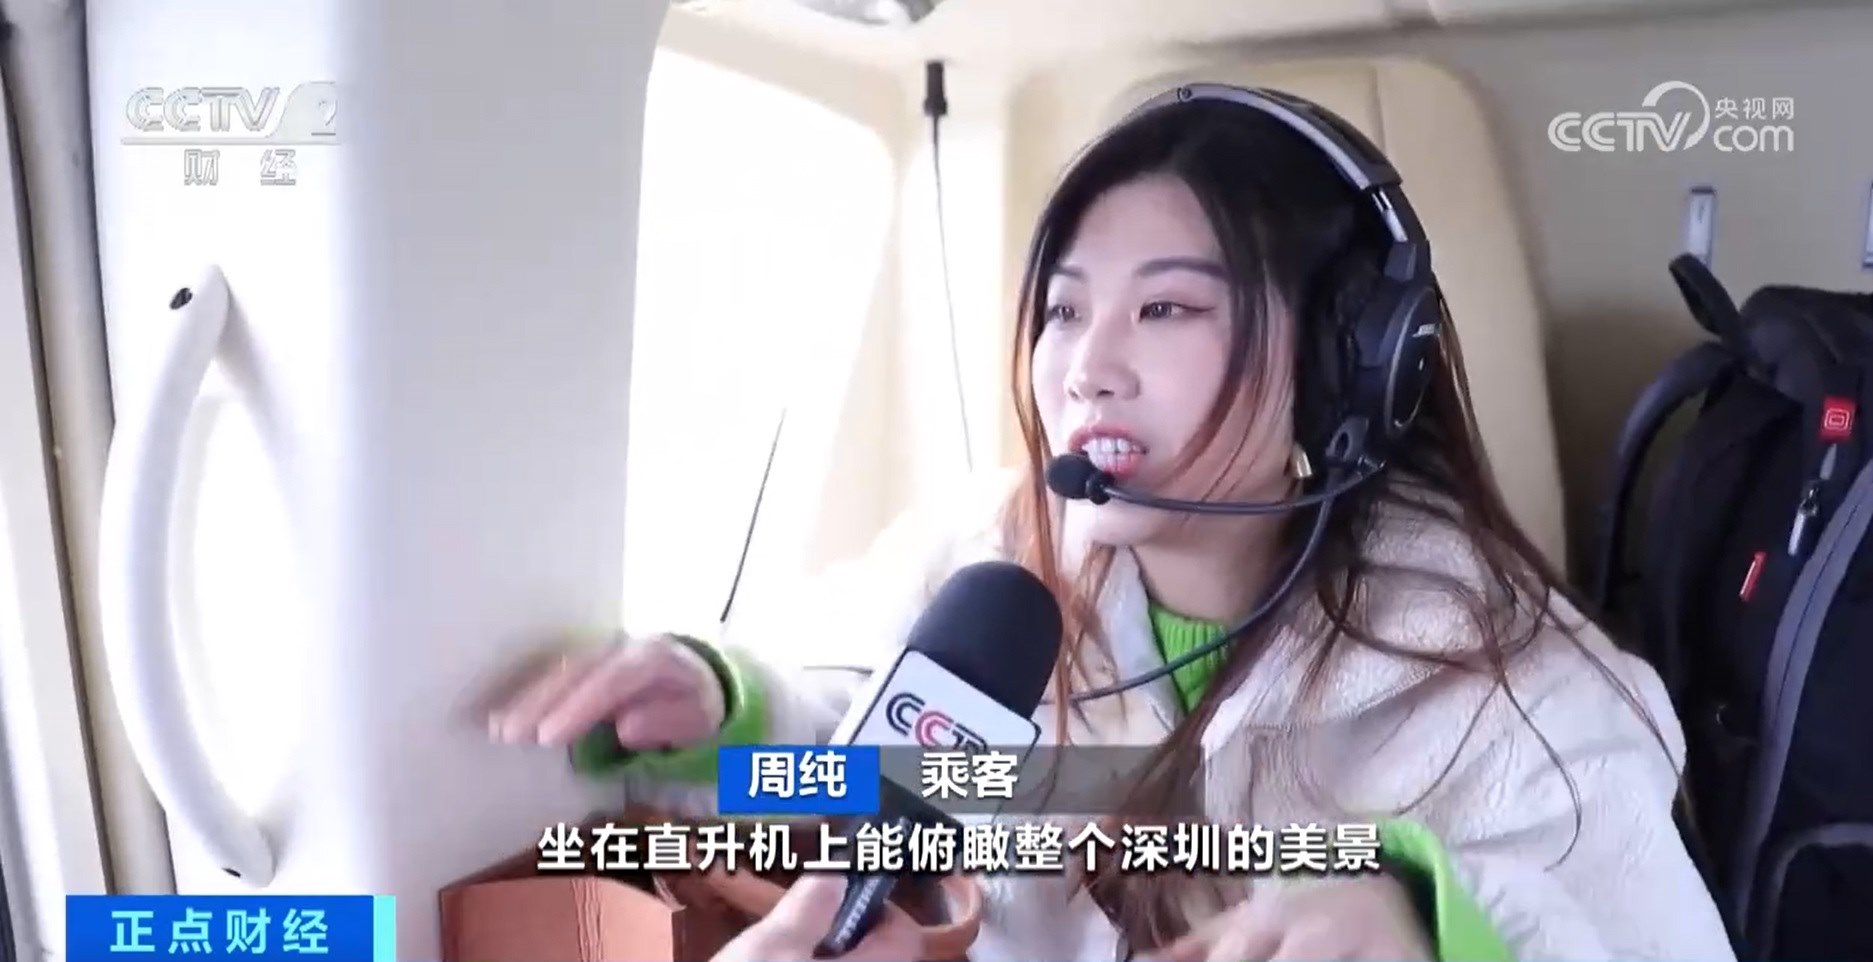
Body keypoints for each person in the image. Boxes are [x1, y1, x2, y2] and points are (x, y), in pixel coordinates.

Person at [489, 85, 1737, 961]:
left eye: (1166, 309)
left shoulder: (1515, 687)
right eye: (1064, 310)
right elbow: (887, 752)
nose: (1086, 367)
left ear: (1344, 369)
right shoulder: (990, 562)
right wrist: (725, 710)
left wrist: (1433, 919)